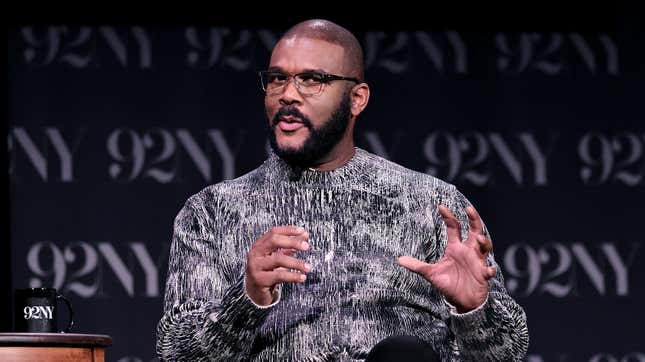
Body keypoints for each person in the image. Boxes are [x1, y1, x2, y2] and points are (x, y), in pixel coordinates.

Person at [156, 19, 529, 361]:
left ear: (357, 99)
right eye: (277, 78)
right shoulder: (210, 213)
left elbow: (507, 354)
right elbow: (176, 354)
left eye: (312, 79)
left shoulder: (433, 205)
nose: (288, 94)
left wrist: (473, 310)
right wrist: (248, 299)